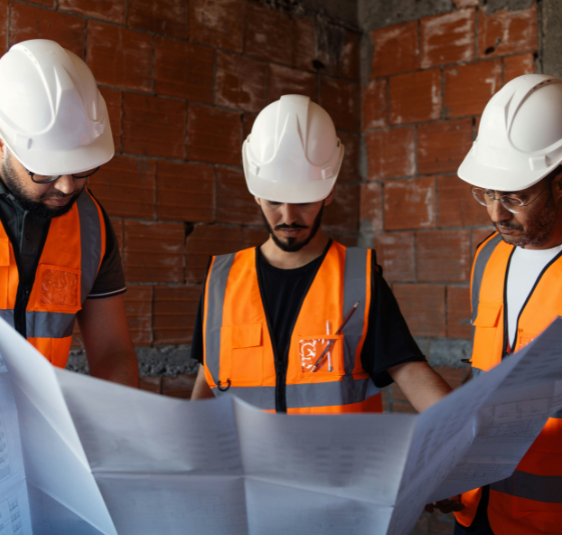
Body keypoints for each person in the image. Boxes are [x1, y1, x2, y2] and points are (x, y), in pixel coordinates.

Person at [190, 94, 451, 413]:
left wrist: (465, 427)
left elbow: (409, 371)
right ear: (256, 193)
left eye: (303, 201)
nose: (288, 217)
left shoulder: (359, 280)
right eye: (274, 201)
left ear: (328, 191)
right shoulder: (222, 279)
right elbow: (208, 379)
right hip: (246, 464)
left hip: (335, 463)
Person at [450, 74, 562, 535]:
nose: (496, 214)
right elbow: (482, 374)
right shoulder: (487, 258)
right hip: (476, 507)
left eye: (514, 197)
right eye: (487, 194)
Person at [0, 39, 138, 387]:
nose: (66, 187)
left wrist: (119, 431)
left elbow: (111, 350)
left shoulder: (91, 226)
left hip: (39, 432)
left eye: (80, 169)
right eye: (45, 171)